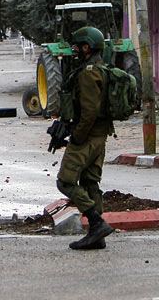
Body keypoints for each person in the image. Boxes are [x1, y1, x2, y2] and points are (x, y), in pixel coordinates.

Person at [56, 27, 114, 250]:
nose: (75, 51)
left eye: (78, 46)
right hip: (100, 136)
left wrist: (77, 137)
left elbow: (89, 111)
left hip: (87, 137)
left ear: (87, 47)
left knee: (66, 181)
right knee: (90, 183)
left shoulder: (88, 72)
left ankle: (97, 223)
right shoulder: (102, 69)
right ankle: (96, 236)